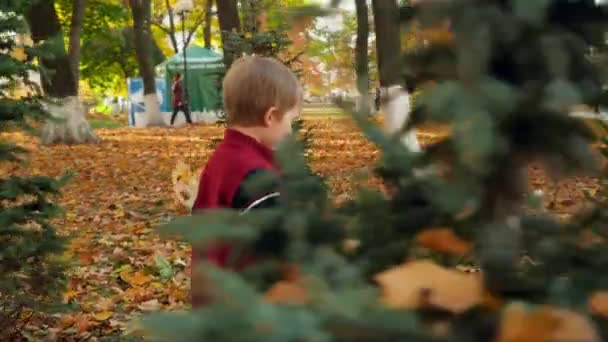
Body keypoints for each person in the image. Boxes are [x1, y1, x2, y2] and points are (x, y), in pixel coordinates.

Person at [190, 56, 301, 305]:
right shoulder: (258, 177)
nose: (290, 131)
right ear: (271, 117)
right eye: (291, 120)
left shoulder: (222, 160)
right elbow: (283, 250)